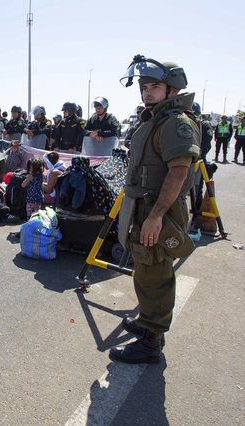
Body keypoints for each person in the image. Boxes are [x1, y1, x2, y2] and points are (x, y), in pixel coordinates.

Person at [114, 54, 200, 364]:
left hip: (157, 209)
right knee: (145, 267)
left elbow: (178, 173)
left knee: (155, 271)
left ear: (172, 89)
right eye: (143, 87)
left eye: (154, 86)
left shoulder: (176, 122)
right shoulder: (157, 119)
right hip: (144, 205)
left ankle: (151, 341)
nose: (146, 92)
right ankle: (148, 323)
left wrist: (156, 216)